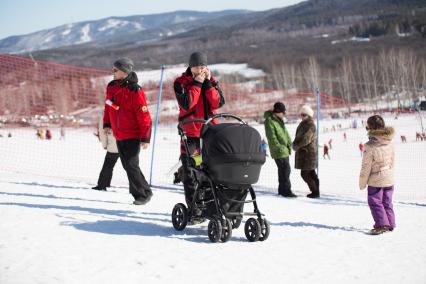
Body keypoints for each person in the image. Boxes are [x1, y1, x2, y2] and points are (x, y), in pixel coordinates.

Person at [174, 51, 225, 213]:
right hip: (191, 135)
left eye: (202, 67)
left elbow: (218, 103)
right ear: (190, 67)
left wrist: (208, 84)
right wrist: (197, 84)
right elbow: (187, 104)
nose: (200, 70)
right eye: (196, 67)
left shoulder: (212, 81)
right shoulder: (181, 83)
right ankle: (194, 208)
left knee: (211, 171)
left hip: (210, 133)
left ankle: (211, 206)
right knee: (191, 171)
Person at [103, 57, 153, 205]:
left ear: (124, 72)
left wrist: (145, 137)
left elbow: (144, 116)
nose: (112, 72)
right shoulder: (111, 86)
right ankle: (143, 191)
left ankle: (142, 194)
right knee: (127, 165)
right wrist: (106, 123)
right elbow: (108, 106)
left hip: (133, 134)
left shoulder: (135, 90)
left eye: (115, 70)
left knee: (131, 165)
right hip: (119, 134)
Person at [359, 115, 395, 235]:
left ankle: (381, 225)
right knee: (387, 201)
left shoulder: (370, 145)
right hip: (389, 176)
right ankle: (390, 223)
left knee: (375, 201)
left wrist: (362, 182)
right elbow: (392, 160)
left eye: (367, 127)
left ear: (371, 128)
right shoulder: (389, 142)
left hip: (376, 178)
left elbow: (366, 167)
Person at [264, 102, 297, 198]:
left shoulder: (279, 120)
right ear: (278, 112)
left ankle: (282, 190)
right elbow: (271, 137)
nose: (284, 114)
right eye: (283, 112)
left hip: (284, 149)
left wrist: (290, 144)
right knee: (285, 169)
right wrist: (279, 147)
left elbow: (285, 133)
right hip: (279, 150)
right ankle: (286, 191)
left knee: (284, 170)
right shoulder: (269, 121)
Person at [292, 105, 319, 198]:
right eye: (301, 115)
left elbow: (306, 139)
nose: (302, 116)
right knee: (311, 172)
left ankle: (315, 191)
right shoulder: (303, 124)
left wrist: (296, 145)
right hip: (304, 153)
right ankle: (316, 191)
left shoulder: (310, 125)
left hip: (308, 153)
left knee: (305, 174)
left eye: (304, 115)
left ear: (309, 115)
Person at [92, 114, 120, 191]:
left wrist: (104, 145)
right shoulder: (126, 110)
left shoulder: (106, 114)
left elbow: (102, 132)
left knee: (108, 165)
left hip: (113, 145)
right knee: (131, 168)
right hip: (126, 143)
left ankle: (102, 184)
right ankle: (139, 187)